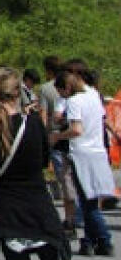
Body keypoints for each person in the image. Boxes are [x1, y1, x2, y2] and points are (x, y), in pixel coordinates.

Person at [0, 67, 78, 260]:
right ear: (18, 93)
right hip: (38, 206)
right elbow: (42, 161)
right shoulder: (33, 124)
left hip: (7, 210)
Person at [49, 62, 114, 257]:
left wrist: (57, 136)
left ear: (67, 87)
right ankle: (90, 241)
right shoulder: (94, 95)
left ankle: (104, 239)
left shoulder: (75, 101)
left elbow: (76, 129)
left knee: (87, 201)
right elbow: (102, 120)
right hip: (97, 151)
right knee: (91, 200)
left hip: (81, 153)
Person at [38, 55, 78, 236]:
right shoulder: (79, 89)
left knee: (65, 178)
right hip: (78, 140)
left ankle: (71, 218)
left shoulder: (46, 89)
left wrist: (43, 136)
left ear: (48, 70)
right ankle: (77, 215)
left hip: (57, 137)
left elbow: (44, 116)